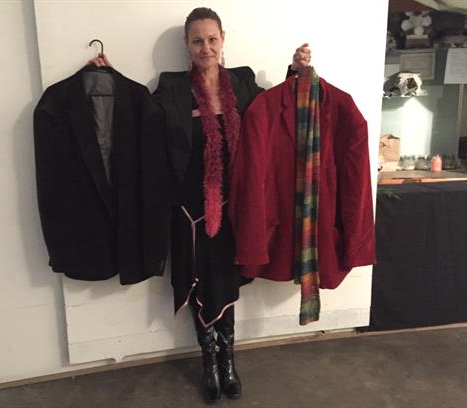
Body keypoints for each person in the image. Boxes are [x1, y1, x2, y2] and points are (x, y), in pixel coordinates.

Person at [90, 7, 311, 403]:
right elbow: (140, 118)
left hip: (236, 206)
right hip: (189, 209)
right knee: (198, 282)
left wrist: (295, 73)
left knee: (224, 278)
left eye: (212, 39)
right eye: (197, 41)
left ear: (223, 39)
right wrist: (110, 80)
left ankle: (228, 360)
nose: (205, 47)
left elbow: (275, 111)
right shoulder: (171, 87)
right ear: (187, 45)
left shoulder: (242, 83)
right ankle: (209, 361)